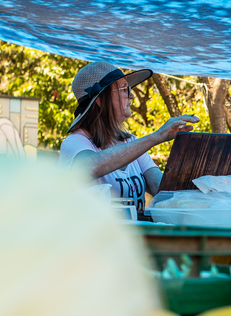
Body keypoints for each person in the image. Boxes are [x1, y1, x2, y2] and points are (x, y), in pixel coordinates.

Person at [59, 62, 198, 212]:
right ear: (100, 100)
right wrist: (156, 137)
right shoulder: (74, 142)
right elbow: (90, 166)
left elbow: (161, 188)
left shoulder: (130, 141)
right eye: (124, 88)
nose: (131, 94)